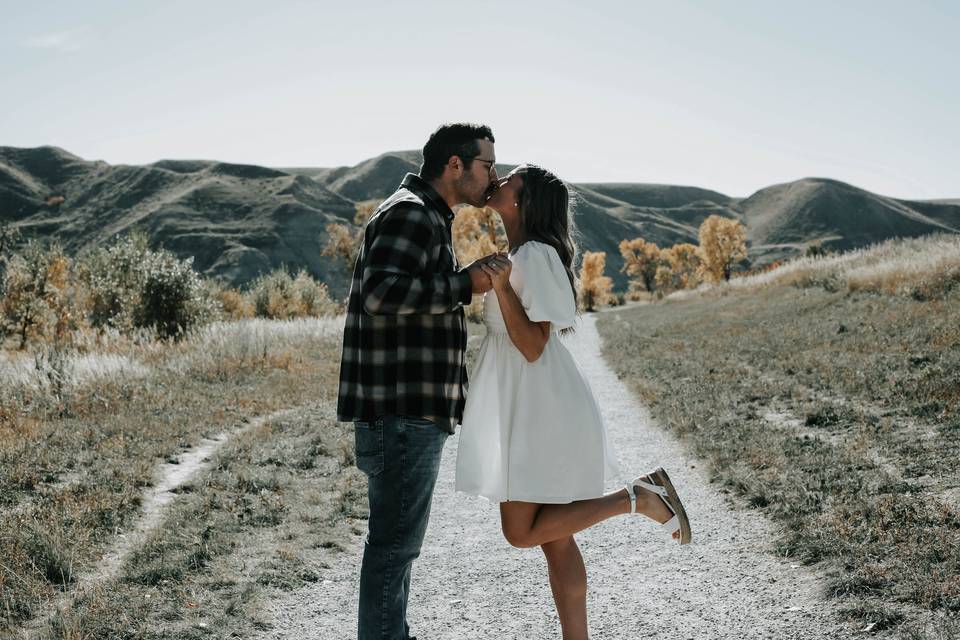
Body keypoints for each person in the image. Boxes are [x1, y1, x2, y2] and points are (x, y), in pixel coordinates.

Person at [455, 164, 692, 640]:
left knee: (521, 531)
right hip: (527, 401)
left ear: (525, 201)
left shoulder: (536, 256)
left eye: (511, 180)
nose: (499, 180)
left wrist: (500, 288)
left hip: (540, 407)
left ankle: (638, 498)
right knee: (555, 539)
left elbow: (533, 345)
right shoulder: (522, 253)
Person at [337, 123, 502, 640]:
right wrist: (464, 283)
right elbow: (382, 294)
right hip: (401, 410)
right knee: (394, 546)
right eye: (486, 165)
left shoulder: (425, 213)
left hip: (405, 409)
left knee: (396, 544)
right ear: (456, 165)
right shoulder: (411, 212)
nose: (492, 176)